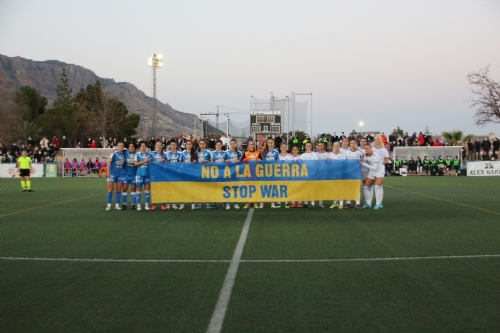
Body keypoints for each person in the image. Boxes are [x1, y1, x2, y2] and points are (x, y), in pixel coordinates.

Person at [105, 142, 126, 211]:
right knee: (110, 189)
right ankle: (109, 205)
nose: (121, 147)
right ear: (117, 146)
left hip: (120, 174)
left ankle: (117, 205)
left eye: (122, 146)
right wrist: (108, 172)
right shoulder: (113, 153)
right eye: (119, 146)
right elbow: (108, 162)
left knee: (118, 190)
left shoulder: (124, 154)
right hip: (112, 174)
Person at [260, 138, 280, 209]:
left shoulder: (276, 152)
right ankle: (261, 203)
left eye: (271, 142)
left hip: (273, 173)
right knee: (263, 188)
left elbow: (278, 161)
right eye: (269, 143)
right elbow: (261, 161)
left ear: (273, 143)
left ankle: (272, 203)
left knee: (273, 188)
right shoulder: (263, 151)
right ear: (267, 143)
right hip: (265, 172)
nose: (270, 144)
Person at [344, 138, 363, 209]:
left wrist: (362, 161)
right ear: (349, 144)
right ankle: (348, 203)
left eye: (354, 143)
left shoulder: (360, 152)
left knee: (356, 188)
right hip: (348, 173)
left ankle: (357, 203)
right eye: (351, 143)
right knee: (348, 188)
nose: (352, 145)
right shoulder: (346, 152)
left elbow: (362, 161)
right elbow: (344, 162)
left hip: (357, 172)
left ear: (356, 144)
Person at [242, 139, 261, 209]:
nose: (251, 145)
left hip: (255, 173)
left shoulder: (258, 153)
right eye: (250, 144)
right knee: (247, 189)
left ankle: (255, 202)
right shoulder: (245, 153)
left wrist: (260, 161)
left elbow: (261, 162)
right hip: (247, 173)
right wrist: (244, 160)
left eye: (252, 144)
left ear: (254, 145)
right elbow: (241, 162)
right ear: (248, 145)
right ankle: (247, 203)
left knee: (255, 189)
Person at [298, 142, 318, 208]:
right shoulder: (302, 155)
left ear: (311, 147)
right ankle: (306, 203)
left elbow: (316, 164)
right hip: (305, 173)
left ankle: (312, 203)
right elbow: (299, 163)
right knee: (305, 189)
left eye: (310, 146)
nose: (308, 147)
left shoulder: (315, 155)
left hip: (312, 173)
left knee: (312, 189)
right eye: (307, 146)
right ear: (305, 147)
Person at [360, 144, 381, 209]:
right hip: (371, 173)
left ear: (371, 148)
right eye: (365, 149)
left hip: (379, 173)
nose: (366, 150)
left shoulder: (376, 156)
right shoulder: (366, 155)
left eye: (368, 148)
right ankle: (369, 203)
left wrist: (364, 164)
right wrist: (362, 160)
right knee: (365, 187)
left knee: (377, 187)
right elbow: (364, 159)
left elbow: (375, 168)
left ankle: (378, 203)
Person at [134, 141, 153, 211]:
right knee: (138, 190)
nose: (143, 147)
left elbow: (153, 162)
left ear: (146, 147)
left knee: (147, 190)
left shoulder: (150, 154)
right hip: (139, 175)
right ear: (140, 147)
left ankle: (146, 205)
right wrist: (144, 161)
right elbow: (135, 164)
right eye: (141, 146)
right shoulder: (137, 154)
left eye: (144, 145)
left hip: (147, 175)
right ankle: (138, 205)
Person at [149, 141, 167, 210]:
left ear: (162, 146)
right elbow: (149, 161)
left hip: (162, 173)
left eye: (160, 145)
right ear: (155, 146)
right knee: (154, 189)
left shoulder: (164, 154)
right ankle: (154, 204)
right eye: (157, 145)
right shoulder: (152, 154)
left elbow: (168, 164)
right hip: (154, 173)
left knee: (162, 189)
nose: (159, 147)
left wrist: (164, 161)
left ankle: (163, 204)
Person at [181, 140, 199, 209]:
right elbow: (179, 162)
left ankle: (193, 203)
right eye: (187, 144)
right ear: (185, 145)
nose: (188, 145)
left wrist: (196, 161)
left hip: (192, 173)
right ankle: (182, 203)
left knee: (192, 188)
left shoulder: (195, 152)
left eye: (190, 144)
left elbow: (198, 162)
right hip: (184, 172)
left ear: (192, 145)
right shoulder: (182, 153)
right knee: (183, 188)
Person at [224, 139, 242, 209]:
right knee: (228, 188)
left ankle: (236, 203)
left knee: (235, 188)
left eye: (233, 143)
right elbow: (223, 160)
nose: (232, 145)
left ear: (236, 144)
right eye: (231, 143)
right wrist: (226, 161)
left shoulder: (239, 152)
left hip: (236, 172)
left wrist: (239, 161)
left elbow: (242, 161)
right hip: (228, 172)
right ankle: (228, 204)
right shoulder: (226, 152)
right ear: (229, 144)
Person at [328, 142, 346, 209]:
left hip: (340, 173)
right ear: (333, 146)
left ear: (339, 146)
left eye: (337, 145)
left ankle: (341, 203)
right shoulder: (330, 154)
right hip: (333, 174)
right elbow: (328, 164)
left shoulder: (343, 155)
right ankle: (335, 202)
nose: (336, 147)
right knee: (334, 188)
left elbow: (344, 165)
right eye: (335, 145)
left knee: (340, 188)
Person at [166, 140, 183, 209]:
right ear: (170, 146)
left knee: (176, 188)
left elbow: (180, 163)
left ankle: (174, 203)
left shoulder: (180, 153)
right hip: (169, 173)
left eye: (174, 145)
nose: (173, 146)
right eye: (171, 145)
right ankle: (168, 203)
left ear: (176, 146)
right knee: (169, 189)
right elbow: (166, 163)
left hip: (177, 173)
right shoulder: (167, 153)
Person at [122, 142, 138, 210]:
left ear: (135, 147)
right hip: (126, 174)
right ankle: (124, 204)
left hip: (134, 174)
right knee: (125, 188)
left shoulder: (137, 154)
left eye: (133, 146)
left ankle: (133, 204)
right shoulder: (125, 153)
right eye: (130, 146)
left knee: (133, 189)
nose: (131, 148)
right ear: (128, 147)